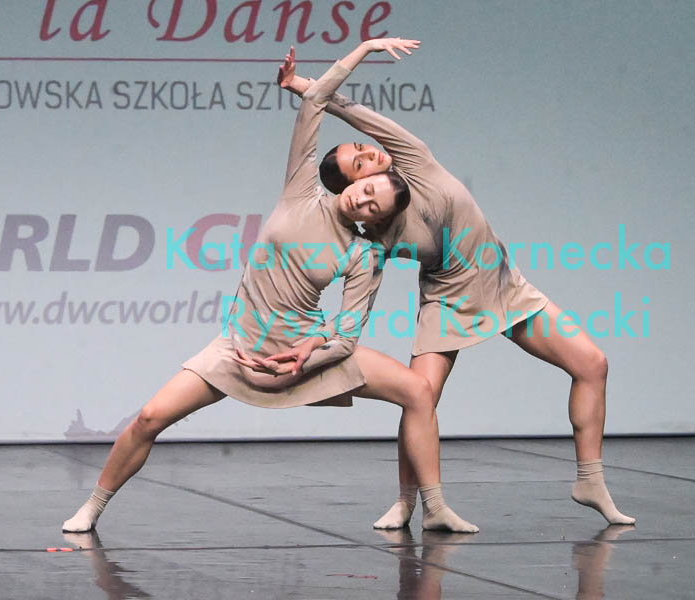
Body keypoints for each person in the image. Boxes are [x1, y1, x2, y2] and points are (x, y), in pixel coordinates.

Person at [62, 37, 478, 535]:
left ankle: (432, 507)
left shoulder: (365, 254)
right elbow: (316, 100)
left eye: (375, 207)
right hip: (241, 348)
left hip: (302, 354)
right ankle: (91, 509)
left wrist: (307, 353)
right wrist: (364, 48)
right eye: (365, 188)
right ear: (352, 182)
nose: (364, 201)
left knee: (417, 391)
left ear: (379, 220)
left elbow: (347, 336)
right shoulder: (300, 192)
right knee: (150, 417)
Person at [277, 48, 635, 528]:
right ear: (353, 190)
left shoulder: (414, 160)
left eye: (362, 150)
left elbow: (355, 113)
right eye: (359, 165)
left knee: (592, 364)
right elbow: (351, 297)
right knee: (418, 396)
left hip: (503, 286)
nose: (370, 154)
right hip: (446, 301)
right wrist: (314, 340)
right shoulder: (374, 234)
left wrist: (302, 85)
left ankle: (590, 480)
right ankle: (409, 502)